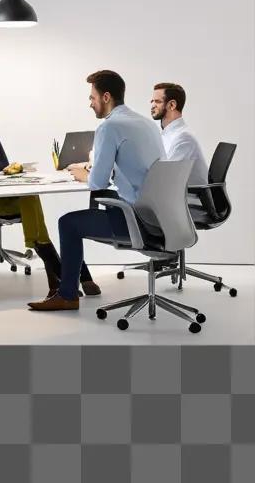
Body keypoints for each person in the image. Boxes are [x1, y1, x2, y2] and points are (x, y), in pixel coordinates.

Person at [29, 70, 164, 312]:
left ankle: (67, 295)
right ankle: (86, 280)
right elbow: (137, 168)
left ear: (106, 97)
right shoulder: (146, 123)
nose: (90, 103)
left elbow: (97, 183)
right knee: (95, 207)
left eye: (92, 97)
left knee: (68, 223)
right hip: (159, 215)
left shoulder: (109, 127)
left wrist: (85, 174)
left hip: (135, 220)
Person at [0, 107, 98, 298]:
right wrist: (2, 167)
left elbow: (4, 164)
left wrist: (8, 168)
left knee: (31, 196)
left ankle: (55, 276)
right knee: (31, 204)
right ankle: (70, 274)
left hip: (5, 195)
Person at [151, 82, 208, 186]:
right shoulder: (166, 135)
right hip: (171, 194)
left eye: (157, 101)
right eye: (152, 101)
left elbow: (165, 177)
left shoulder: (183, 137)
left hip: (186, 197)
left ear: (172, 105)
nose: (152, 105)